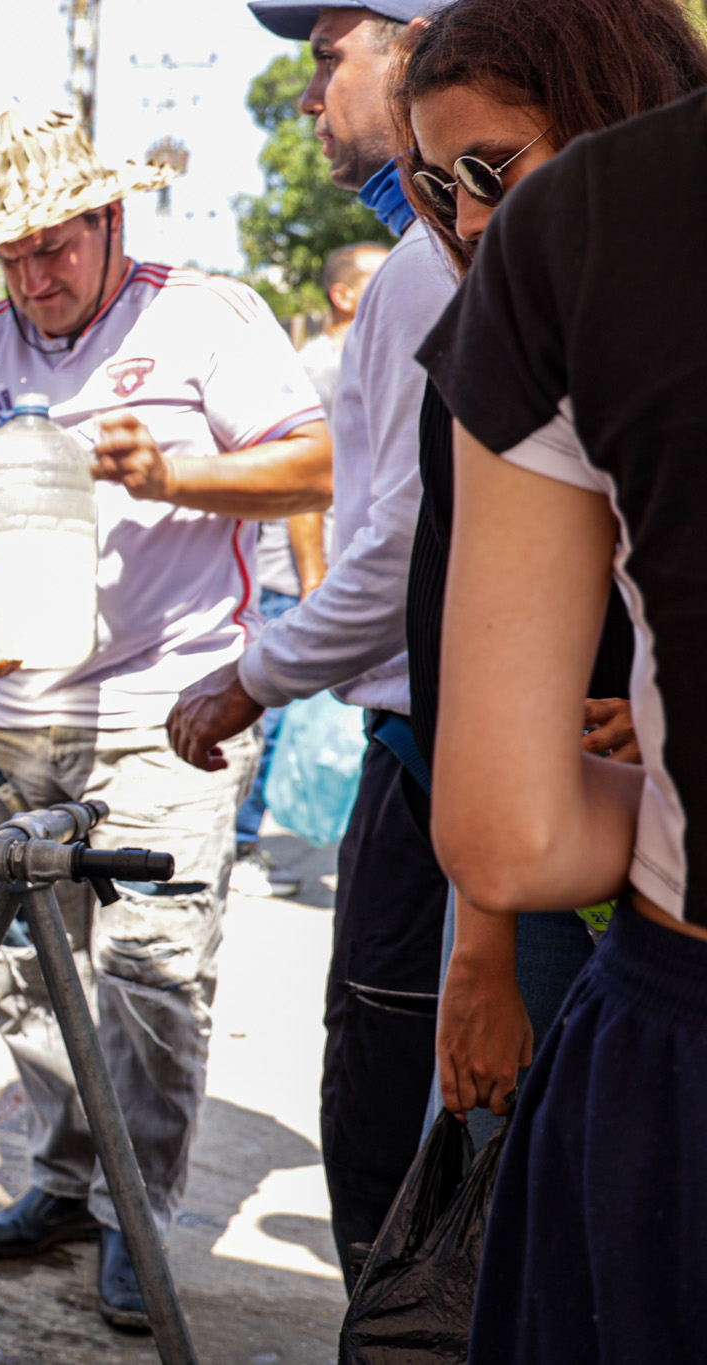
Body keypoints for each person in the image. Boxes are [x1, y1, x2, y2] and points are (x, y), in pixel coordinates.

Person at [0, 108, 330, 1332]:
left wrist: (179, 477)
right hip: (20, 712)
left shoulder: (203, 318)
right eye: (11, 257)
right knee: (19, 972)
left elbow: (314, 461)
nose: (33, 276)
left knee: (152, 975)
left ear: (111, 222)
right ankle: (60, 1181)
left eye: (54, 246)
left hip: (168, 712)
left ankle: (134, 1211)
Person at [416, 55, 707, 1363]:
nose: (468, 214)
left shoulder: (596, 236)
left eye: (492, 170)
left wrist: (663, 785)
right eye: (433, 183)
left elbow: (509, 827)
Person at [171, 0, 455, 1280]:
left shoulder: (424, 269)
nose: (307, 97)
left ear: (413, 50)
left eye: (322, 57)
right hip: (448, 737)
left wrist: (248, 677)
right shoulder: (433, 260)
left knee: (395, 1137)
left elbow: (393, 546)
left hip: (437, 747)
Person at [231, 240, 389, 900]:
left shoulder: (368, 353)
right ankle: (240, 844)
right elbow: (306, 482)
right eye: (376, 281)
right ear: (343, 294)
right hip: (295, 571)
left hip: (327, 568)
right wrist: (314, 575)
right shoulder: (322, 363)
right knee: (268, 713)